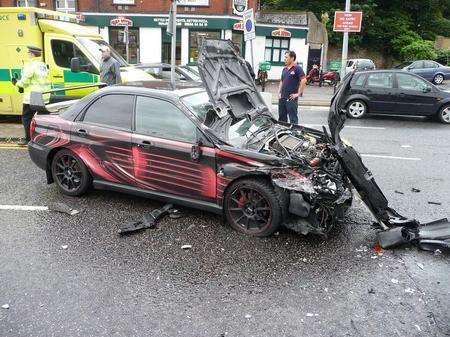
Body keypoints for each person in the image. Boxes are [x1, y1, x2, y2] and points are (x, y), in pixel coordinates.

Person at [13, 46, 51, 145]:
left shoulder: (31, 65)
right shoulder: (43, 65)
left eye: (29, 53)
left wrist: (16, 83)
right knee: (42, 119)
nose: (28, 54)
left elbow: (24, 82)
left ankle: (28, 139)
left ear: (32, 54)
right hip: (44, 96)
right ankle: (43, 139)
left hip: (32, 97)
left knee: (27, 118)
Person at [278, 50, 306, 124]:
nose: (284, 59)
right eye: (285, 57)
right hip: (282, 98)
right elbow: (281, 81)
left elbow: (304, 80)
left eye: (286, 57)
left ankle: (294, 134)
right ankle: (283, 134)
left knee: (293, 119)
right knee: (281, 119)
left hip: (291, 99)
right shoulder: (284, 69)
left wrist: (298, 94)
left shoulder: (297, 68)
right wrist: (279, 93)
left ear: (292, 58)